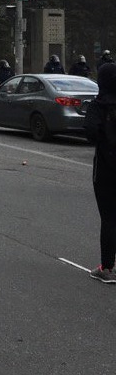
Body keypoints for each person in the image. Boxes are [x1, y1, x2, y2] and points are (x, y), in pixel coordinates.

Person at [85, 63, 116, 283]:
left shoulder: (99, 105)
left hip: (106, 166)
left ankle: (107, 267)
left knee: (109, 217)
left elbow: (90, 132)